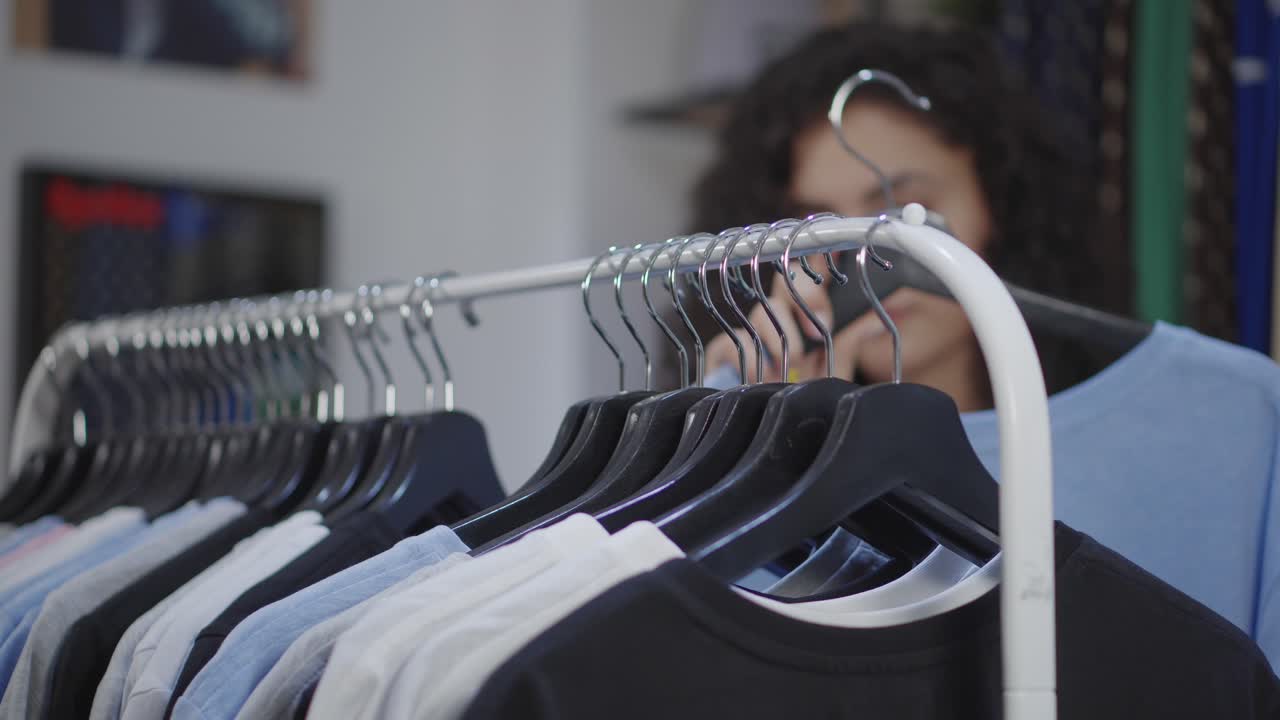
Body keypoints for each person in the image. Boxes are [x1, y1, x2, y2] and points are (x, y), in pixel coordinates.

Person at [694, 24, 1128, 411]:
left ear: (999, 209)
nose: (864, 261)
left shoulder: (1124, 437)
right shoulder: (761, 418)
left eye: (902, 213)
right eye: (816, 230)